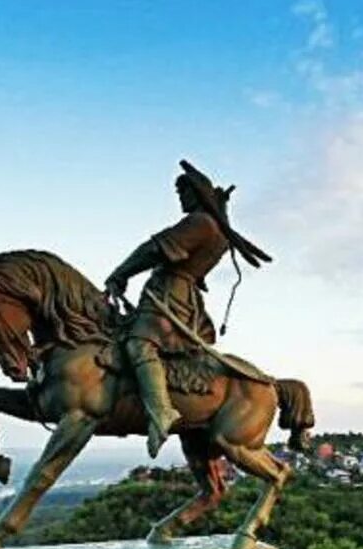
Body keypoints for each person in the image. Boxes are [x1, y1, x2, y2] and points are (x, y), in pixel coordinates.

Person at [104, 161, 270, 457]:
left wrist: (121, 273)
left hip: (171, 293)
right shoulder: (216, 230)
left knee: (140, 344)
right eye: (178, 193)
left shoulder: (201, 223)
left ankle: (161, 411)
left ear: (198, 194)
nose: (181, 199)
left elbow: (156, 248)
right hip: (185, 295)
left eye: (184, 192)